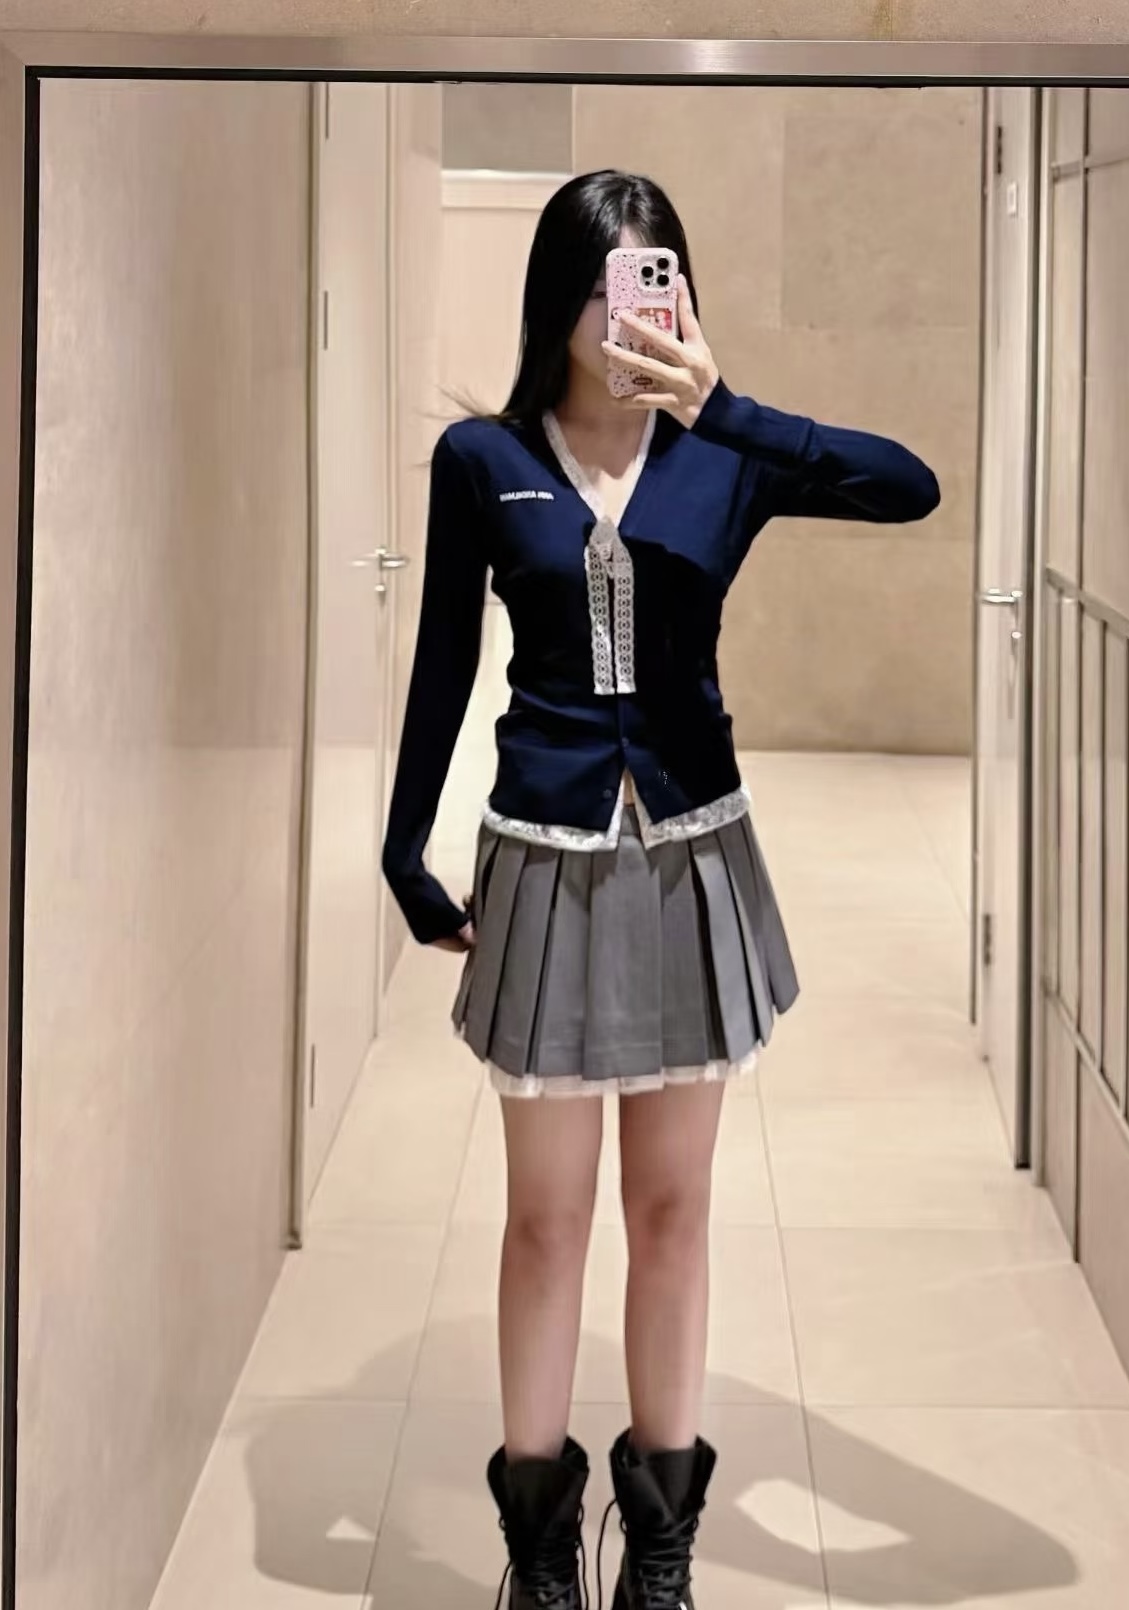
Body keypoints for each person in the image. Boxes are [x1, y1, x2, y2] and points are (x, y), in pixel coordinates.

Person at [382, 169, 940, 1610]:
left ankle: (663, 1546)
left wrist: (728, 405)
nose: (629, 313)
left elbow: (906, 484)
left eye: (655, 281)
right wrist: (401, 845)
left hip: (691, 856)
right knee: (545, 1218)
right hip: (544, 859)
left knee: (674, 1207)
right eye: (604, 286)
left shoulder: (721, 453)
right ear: (556, 303)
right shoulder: (481, 457)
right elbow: (443, 658)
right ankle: (537, 1549)